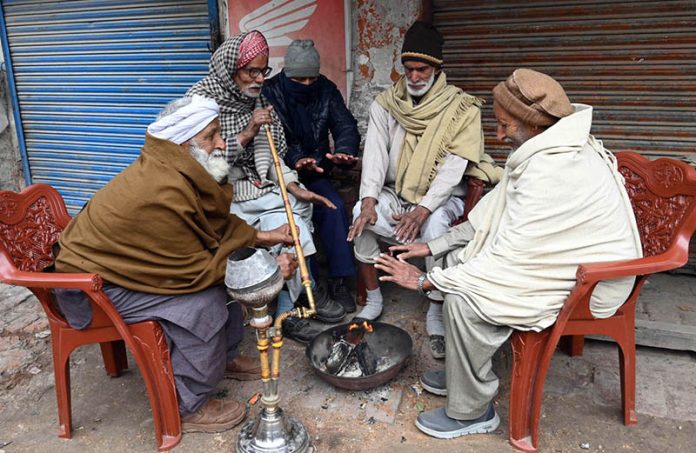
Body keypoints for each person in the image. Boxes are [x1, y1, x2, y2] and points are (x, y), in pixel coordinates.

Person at [374, 68, 643, 439]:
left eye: (504, 126)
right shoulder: (543, 150)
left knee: (462, 300)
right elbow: (491, 218)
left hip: (594, 283)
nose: (498, 136)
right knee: (454, 260)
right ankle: (461, 374)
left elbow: (509, 258)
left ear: (533, 126)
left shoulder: (552, 169)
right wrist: (432, 246)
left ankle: (472, 411)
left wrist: (423, 280)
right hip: (565, 262)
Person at [54, 95, 299, 433]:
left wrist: (263, 236)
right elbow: (195, 272)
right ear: (184, 144)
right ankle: (189, 406)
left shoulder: (178, 170)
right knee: (203, 301)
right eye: (210, 136)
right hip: (89, 288)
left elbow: (211, 228)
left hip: (117, 269)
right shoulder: (163, 188)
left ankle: (223, 358)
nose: (220, 143)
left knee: (220, 284)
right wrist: (268, 271)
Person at [347, 20, 497, 359]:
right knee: (360, 216)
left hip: (440, 200)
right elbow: (374, 155)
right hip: (395, 192)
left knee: (435, 229)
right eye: (409, 69)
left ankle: (435, 308)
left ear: (437, 68)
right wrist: (369, 200)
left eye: (422, 69)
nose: (414, 77)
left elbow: (453, 170)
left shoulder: (462, 109)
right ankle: (373, 299)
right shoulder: (385, 104)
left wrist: (422, 209)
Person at [187, 31, 347, 344]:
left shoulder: (256, 98)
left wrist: (292, 184)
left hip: (259, 191)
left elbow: (273, 155)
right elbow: (204, 169)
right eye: (252, 72)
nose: (260, 79)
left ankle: (291, 310)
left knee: (293, 227)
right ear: (229, 69)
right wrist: (248, 131)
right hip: (223, 196)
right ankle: (306, 293)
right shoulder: (199, 105)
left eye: (264, 71)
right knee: (288, 227)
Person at [262, 39, 361, 315]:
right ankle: (312, 286)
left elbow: (346, 125)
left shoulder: (326, 89)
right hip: (281, 176)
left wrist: (343, 151)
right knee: (295, 224)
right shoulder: (270, 93)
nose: (306, 84)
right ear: (286, 73)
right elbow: (271, 144)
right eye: (299, 78)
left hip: (316, 171)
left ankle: (339, 280)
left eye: (311, 78)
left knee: (333, 208)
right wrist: (295, 160)